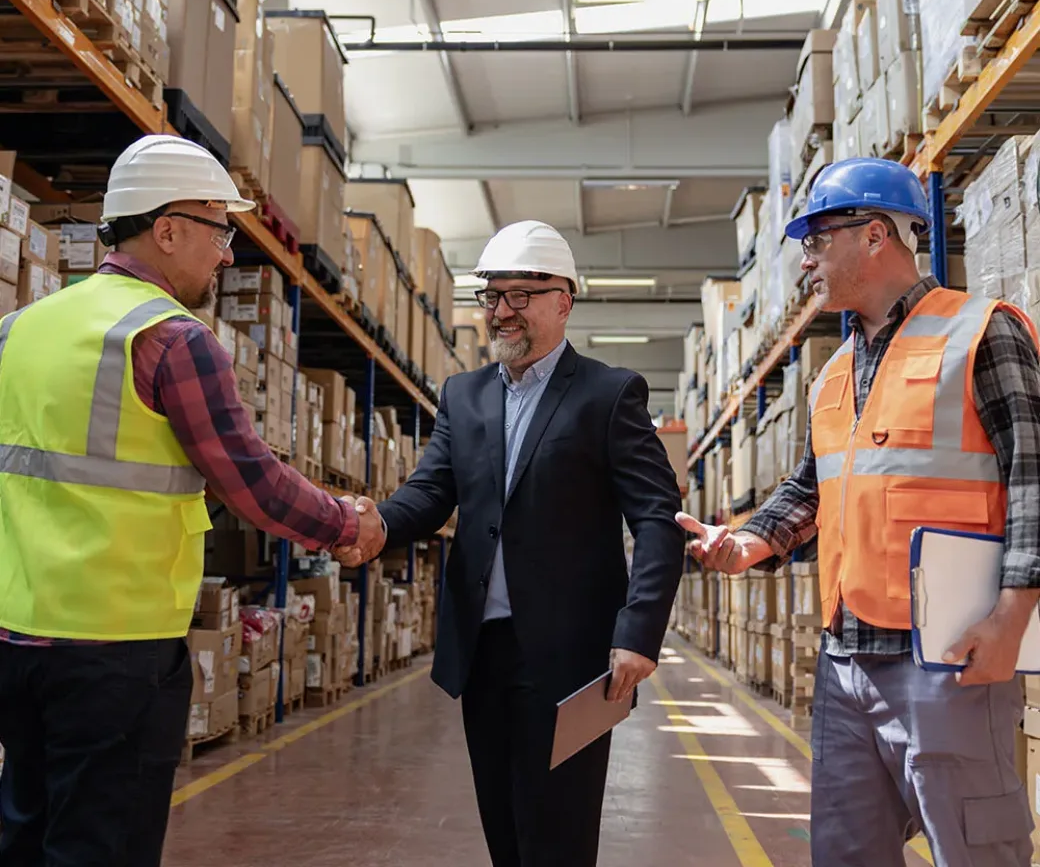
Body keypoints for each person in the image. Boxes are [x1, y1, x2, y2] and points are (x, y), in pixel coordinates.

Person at [0, 135, 380, 867]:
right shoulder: (172, 340)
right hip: (116, 651)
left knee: (24, 834)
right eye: (218, 229)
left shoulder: (19, 329)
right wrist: (346, 524)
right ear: (166, 229)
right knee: (100, 847)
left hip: (17, 642)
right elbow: (253, 482)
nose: (228, 253)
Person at [679, 157, 1040, 866]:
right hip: (848, 664)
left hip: (950, 660)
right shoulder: (835, 373)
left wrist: (1013, 615)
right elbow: (812, 490)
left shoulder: (981, 333)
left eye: (816, 241)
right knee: (846, 853)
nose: (805, 263)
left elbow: (1034, 475)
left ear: (874, 235)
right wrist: (748, 541)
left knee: (975, 852)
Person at [340, 219, 685, 867]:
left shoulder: (608, 396)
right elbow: (429, 493)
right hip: (484, 654)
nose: (502, 312)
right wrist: (377, 524)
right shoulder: (464, 397)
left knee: (557, 840)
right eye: (492, 296)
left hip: (573, 661)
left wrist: (639, 633)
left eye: (519, 296)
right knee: (505, 833)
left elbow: (657, 519)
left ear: (564, 299)